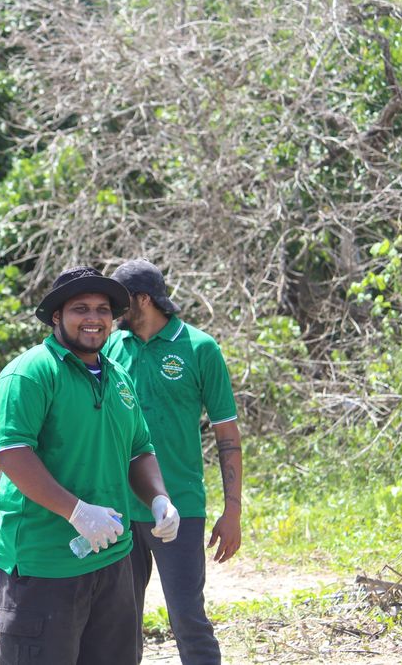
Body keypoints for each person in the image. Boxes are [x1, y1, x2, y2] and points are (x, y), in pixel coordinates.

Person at [0, 265, 181, 665]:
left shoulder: (118, 376)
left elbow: (139, 449)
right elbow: (12, 453)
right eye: (80, 309)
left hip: (113, 559)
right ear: (56, 316)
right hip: (44, 563)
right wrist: (76, 512)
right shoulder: (31, 372)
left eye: (102, 309)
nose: (93, 318)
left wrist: (159, 499)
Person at [104, 259, 242, 665]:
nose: (111, 312)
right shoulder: (111, 347)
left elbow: (227, 435)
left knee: (187, 618)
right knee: (118, 623)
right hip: (117, 509)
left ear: (144, 300)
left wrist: (232, 511)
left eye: (119, 302)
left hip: (179, 505)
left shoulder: (200, 348)